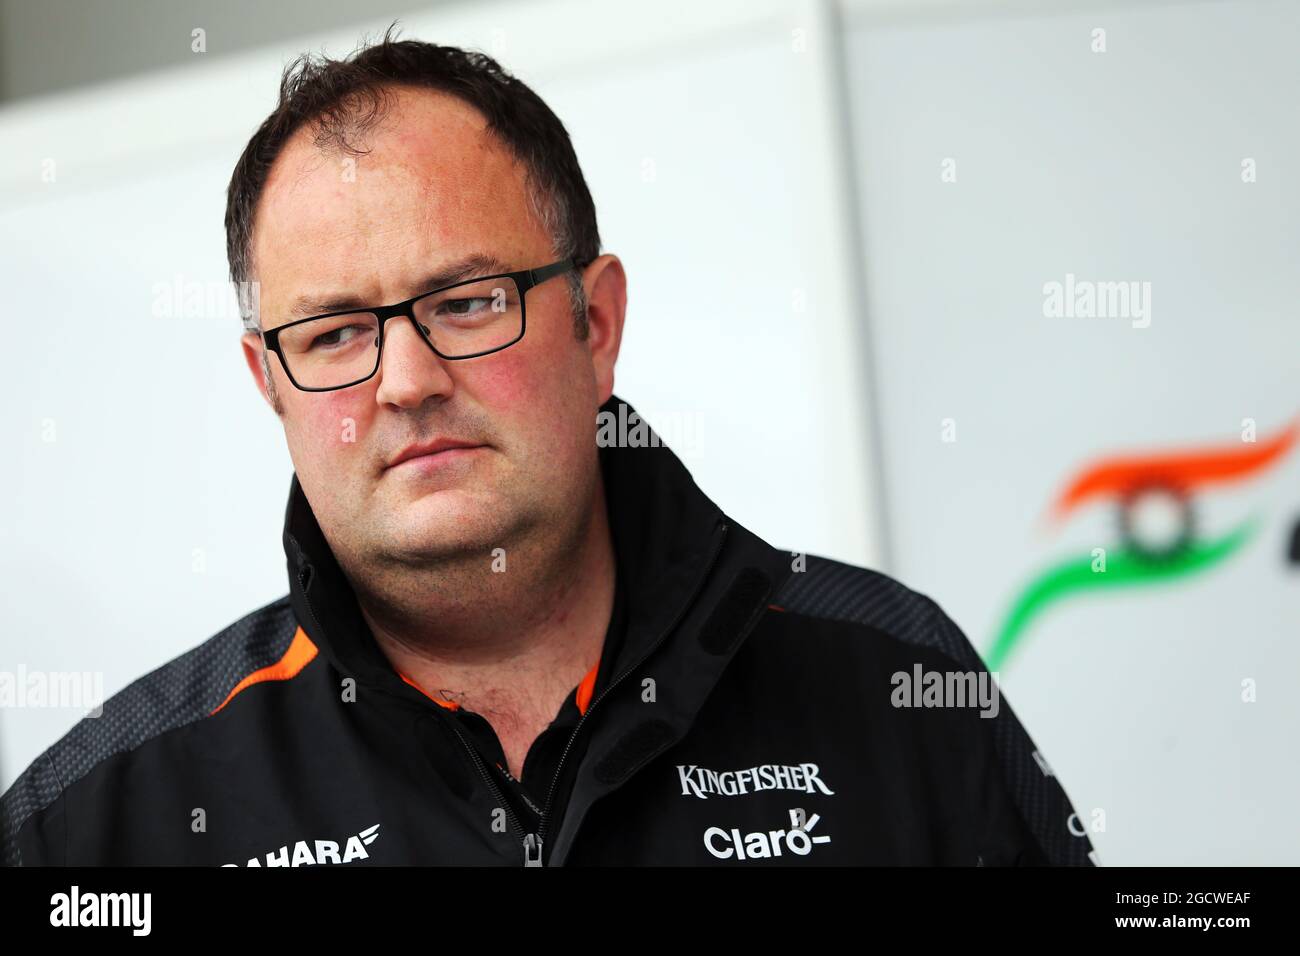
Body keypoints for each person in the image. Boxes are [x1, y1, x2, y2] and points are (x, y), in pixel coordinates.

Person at [0, 26, 1095, 867]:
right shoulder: (101, 823)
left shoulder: (896, 684)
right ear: (270, 384)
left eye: (468, 301)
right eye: (333, 332)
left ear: (596, 321)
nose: (408, 379)